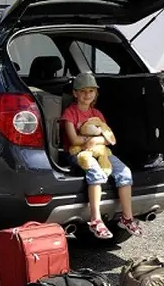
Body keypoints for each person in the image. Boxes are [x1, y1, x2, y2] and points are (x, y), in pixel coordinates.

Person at [60, 72, 143, 240]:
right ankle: (95, 220)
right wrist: (92, 141)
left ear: (95, 94)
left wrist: (95, 139)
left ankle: (127, 217)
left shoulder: (97, 114)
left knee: (125, 173)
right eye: (83, 91)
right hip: (78, 153)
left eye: (91, 91)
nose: (87, 95)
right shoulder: (69, 113)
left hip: (101, 151)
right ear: (75, 93)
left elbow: (109, 139)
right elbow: (74, 140)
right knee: (96, 173)